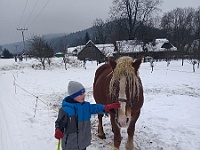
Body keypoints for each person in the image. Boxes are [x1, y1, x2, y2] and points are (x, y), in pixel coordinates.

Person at [54, 81, 120, 150]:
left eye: (84, 92)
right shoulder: (65, 110)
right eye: (80, 94)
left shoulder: (85, 106)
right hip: (70, 145)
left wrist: (106, 107)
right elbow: (59, 123)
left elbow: (95, 108)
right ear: (73, 96)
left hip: (83, 143)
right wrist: (58, 130)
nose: (84, 95)